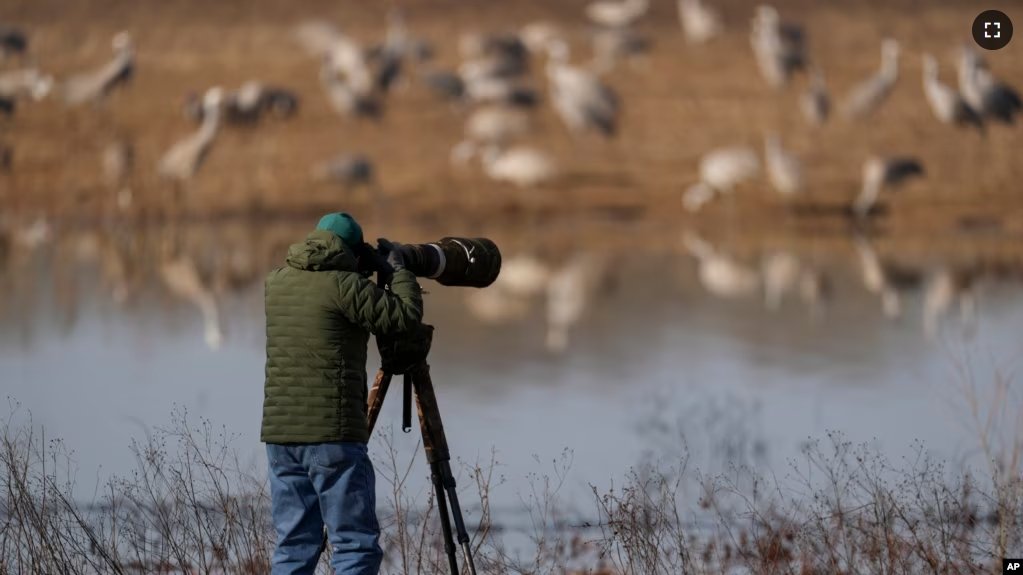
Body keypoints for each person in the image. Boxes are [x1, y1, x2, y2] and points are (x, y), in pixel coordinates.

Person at [262, 212, 423, 574]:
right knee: (354, 545)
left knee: (293, 546)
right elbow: (405, 315)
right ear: (351, 252)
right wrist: (397, 272)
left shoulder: (277, 282)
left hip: (280, 439)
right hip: (331, 435)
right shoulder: (344, 286)